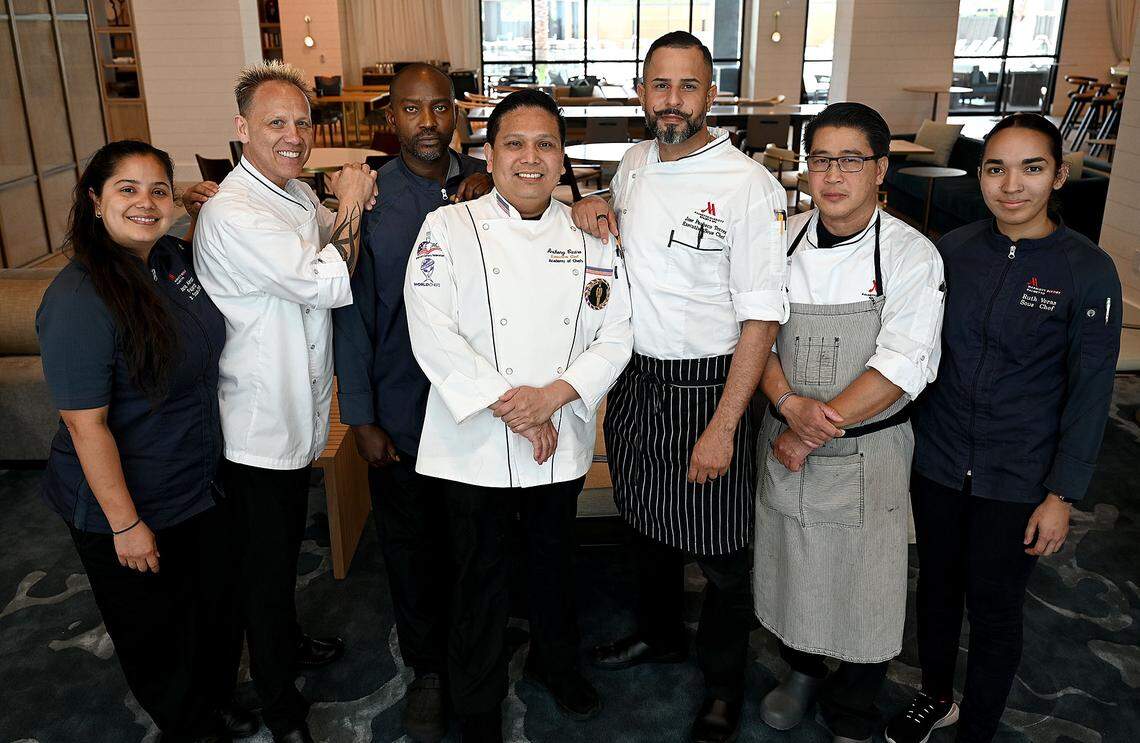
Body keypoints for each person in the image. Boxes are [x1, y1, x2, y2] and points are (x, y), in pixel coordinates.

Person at [572, 31, 788, 743]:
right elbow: (614, 208)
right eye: (659, 85)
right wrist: (590, 202)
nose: (672, 100)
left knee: (724, 554)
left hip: (709, 384)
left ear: (711, 95)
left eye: (687, 86)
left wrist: (726, 424)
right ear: (642, 92)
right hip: (639, 379)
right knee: (644, 527)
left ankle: (723, 685)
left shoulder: (745, 185)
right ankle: (660, 635)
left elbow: (761, 317)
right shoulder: (634, 162)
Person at [403, 89, 633, 743]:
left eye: (545, 144)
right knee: (475, 573)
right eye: (514, 143)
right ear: (488, 152)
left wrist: (552, 398)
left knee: (554, 562)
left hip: (556, 436)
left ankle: (558, 664)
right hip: (475, 437)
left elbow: (616, 332)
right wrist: (515, 407)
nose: (530, 158)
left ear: (562, 157)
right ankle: (473, 696)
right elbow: (431, 328)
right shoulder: (447, 228)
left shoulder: (591, 235)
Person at [885, 113, 1121, 743]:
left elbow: (1092, 392)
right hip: (937, 461)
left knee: (993, 608)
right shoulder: (951, 251)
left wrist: (1061, 494)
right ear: (980, 176)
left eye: (1031, 167)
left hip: (1018, 477)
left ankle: (980, 726)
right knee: (934, 589)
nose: (1011, 185)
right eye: (996, 168)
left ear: (1060, 176)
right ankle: (936, 695)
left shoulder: (1089, 272)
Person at [35, 140, 253, 743]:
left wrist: (200, 206)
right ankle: (188, 725)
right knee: (157, 633)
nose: (145, 202)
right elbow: (86, 424)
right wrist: (125, 525)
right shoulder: (80, 298)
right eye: (126, 189)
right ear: (93, 199)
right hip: (127, 501)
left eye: (158, 189)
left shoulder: (170, 258)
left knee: (212, 610)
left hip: (197, 480)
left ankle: (212, 703)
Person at [192, 61, 377, 743]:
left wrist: (340, 208)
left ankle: (291, 644)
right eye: (276, 122)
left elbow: (328, 240)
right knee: (264, 574)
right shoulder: (235, 210)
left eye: (302, 121)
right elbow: (328, 278)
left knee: (281, 547)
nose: (294, 133)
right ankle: (279, 703)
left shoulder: (291, 193)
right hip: (255, 425)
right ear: (242, 129)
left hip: (297, 413)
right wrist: (354, 200)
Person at [752, 103, 945, 743]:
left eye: (850, 160)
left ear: (881, 169)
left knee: (868, 581)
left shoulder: (911, 254)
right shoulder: (782, 240)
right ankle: (802, 671)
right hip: (785, 434)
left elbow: (903, 363)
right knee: (790, 560)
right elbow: (757, 339)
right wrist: (788, 408)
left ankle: (855, 701)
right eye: (821, 159)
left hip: (867, 449)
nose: (832, 175)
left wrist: (815, 425)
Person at [332, 62, 491, 742]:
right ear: (389, 118)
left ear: (457, 112)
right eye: (410, 109)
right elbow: (352, 316)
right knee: (410, 546)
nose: (427, 122)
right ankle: (428, 668)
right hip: (401, 410)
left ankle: (475, 656)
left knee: (476, 543)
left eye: (439, 108)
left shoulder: (488, 184)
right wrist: (360, 416)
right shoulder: (371, 201)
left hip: (481, 410)